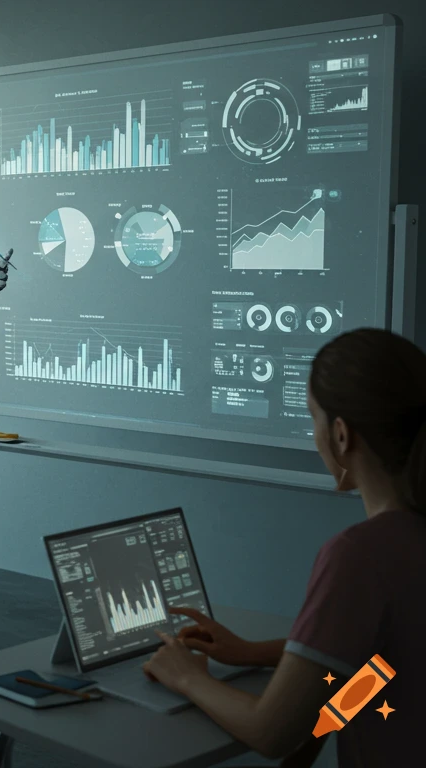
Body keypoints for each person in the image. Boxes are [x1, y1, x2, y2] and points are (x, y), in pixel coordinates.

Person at [143, 328, 424, 768]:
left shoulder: (360, 555)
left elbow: (271, 733)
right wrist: (254, 653)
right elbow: (381, 666)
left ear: (341, 435)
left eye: (312, 419)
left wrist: (187, 678)